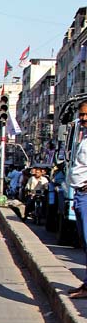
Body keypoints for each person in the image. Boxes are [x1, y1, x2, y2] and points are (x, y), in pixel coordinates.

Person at [69, 103, 87, 298]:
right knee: (84, 242)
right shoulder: (84, 138)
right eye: (81, 115)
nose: (83, 119)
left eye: (85, 115)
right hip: (80, 194)